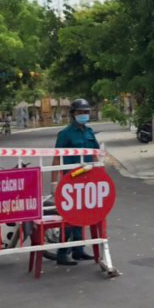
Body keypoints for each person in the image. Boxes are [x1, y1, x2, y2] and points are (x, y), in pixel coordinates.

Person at [53, 98, 100, 265]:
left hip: (87, 180)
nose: (84, 115)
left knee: (82, 215)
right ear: (72, 114)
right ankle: (62, 252)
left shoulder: (89, 132)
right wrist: (54, 182)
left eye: (86, 112)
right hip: (70, 181)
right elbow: (57, 157)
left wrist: (99, 173)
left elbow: (95, 154)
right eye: (80, 112)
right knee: (69, 217)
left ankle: (78, 250)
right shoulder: (65, 134)